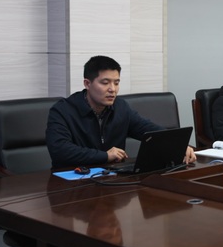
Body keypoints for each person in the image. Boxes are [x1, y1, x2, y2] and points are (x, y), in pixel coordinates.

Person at [46, 55, 195, 168]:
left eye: (116, 83)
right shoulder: (63, 111)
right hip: (71, 182)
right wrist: (105, 156)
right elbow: (60, 151)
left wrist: (178, 145)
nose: (112, 89)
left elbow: (148, 130)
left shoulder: (120, 107)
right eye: (105, 83)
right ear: (87, 84)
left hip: (111, 179)